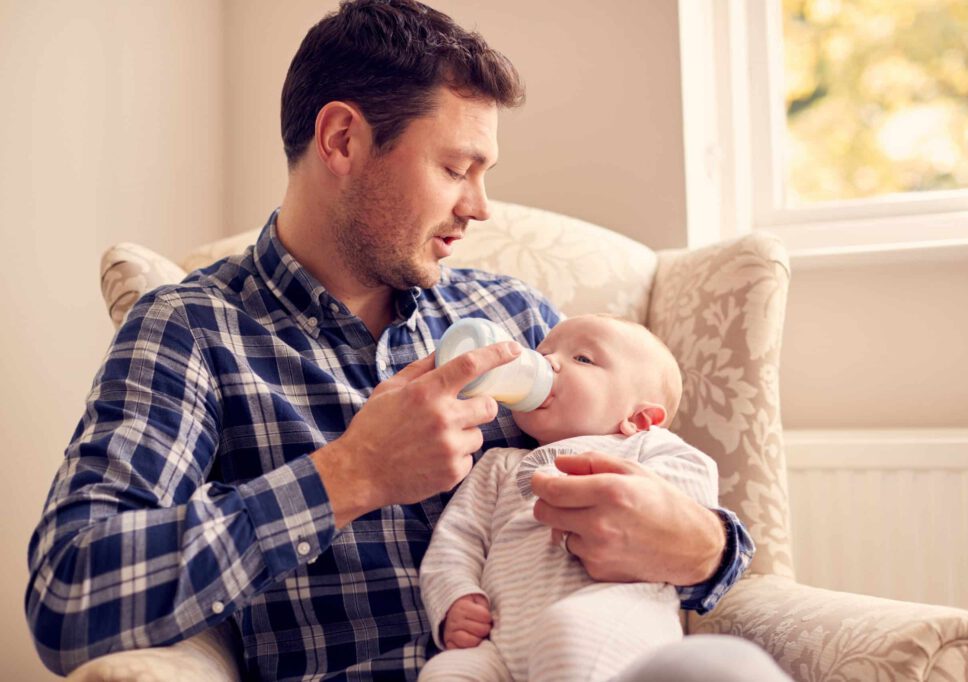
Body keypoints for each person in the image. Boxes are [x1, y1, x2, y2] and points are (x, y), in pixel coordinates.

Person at [25, 1, 768, 680]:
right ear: (343, 139)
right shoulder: (192, 330)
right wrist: (349, 475)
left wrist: (703, 546)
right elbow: (68, 593)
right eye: (455, 168)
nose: (478, 207)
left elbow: (648, 472)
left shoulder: (516, 318)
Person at [417, 314, 721, 681]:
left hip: (608, 615)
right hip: (501, 642)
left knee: (568, 633)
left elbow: (695, 483)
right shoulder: (499, 466)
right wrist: (456, 598)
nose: (547, 361)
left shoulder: (646, 446)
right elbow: (456, 539)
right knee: (447, 670)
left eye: (583, 359)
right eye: (543, 351)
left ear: (639, 418)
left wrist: (643, 499)